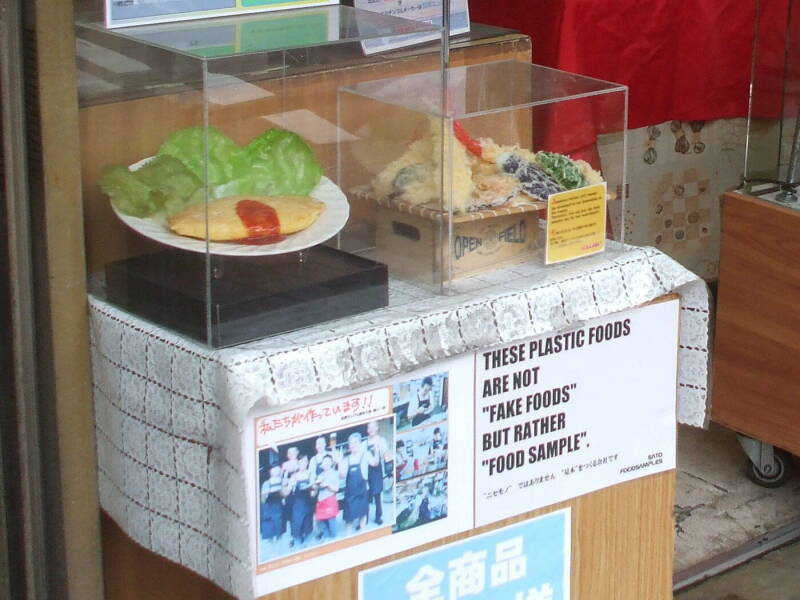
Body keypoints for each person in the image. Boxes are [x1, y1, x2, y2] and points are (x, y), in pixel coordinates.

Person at [339, 432, 378, 534]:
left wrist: (376, 451)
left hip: (362, 491)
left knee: (362, 516)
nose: (353, 445)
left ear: (360, 443)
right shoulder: (346, 459)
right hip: (350, 493)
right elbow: (342, 475)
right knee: (349, 519)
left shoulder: (365, 454)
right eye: (351, 443)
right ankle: (349, 536)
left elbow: (375, 463)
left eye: (355, 442)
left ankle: (363, 533)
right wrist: (339, 462)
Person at [366, 421, 391, 526]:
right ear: (367, 430)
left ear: (377, 428)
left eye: (373, 427)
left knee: (377, 494)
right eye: (369, 427)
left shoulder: (381, 440)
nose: (371, 429)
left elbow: (386, 455)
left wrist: (389, 469)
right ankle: (364, 518)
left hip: (376, 470)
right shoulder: (364, 443)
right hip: (366, 470)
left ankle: (378, 517)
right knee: (366, 495)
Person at [288, 455, 314, 548]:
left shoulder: (310, 474)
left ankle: (306, 545)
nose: (303, 464)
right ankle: (298, 545)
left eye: (305, 462)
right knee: (297, 525)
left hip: (308, 503)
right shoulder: (294, 476)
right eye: (301, 462)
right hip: (297, 505)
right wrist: (291, 484)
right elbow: (289, 491)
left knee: (307, 526)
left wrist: (313, 489)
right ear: (298, 464)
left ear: (307, 463)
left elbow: (313, 490)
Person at [260, 464, 286, 556]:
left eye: (278, 470)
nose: (276, 471)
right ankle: (272, 553)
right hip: (269, 510)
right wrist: (265, 494)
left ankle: (278, 552)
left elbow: (285, 494)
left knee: (279, 533)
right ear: (271, 471)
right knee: (269, 533)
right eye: (274, 470)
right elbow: (262, 500)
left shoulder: (283, 481)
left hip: (279, 509)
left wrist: (284, 490)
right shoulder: (266, 483)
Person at [312, 454, 340, 540]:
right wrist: (315, 485)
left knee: (332, 521)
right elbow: (315, 490)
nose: (326, 464)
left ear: (331, 463)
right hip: (321, 501)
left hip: (330, 499)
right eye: (324, 462)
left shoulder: (334, 473)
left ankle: (334, 538)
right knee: (320, 520)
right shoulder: (320, 475)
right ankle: (326, 536)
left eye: (328, 462)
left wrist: (327, 484)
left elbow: (336, 489)